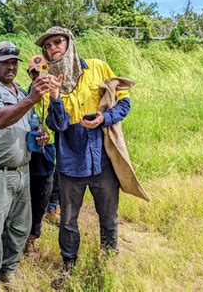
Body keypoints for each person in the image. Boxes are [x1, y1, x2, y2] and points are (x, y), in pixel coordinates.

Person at [35, 27, 132, 288]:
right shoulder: (48, 81)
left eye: (58, 42)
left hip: (103, 160)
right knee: (67, 221)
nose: (53, 48)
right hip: (69, 164)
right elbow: (56, 125)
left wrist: (104, 117)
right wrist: (54, 96)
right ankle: (68, 267)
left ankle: (108, 263)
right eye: (48, 46)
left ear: (70, 43)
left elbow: (124, 103)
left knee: (109, 218)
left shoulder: (98, 68)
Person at [0, 42, 60, 290]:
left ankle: (8, 271)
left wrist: (40, 132)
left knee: (20, 228)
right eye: (5, 62)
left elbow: (30, 122)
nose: (11, 66)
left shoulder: (19, 91)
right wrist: (32, 98)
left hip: (22, 171)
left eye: (14, 62)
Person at [24, 55, 57, 257]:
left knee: (42, 197)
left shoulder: (58, 94)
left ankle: (32, 239)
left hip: (49, 154)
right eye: (35, 72)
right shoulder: (26, 94)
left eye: (44, 71)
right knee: (25, 198)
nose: (40, 76)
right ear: (30, 75)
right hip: (29, 153)